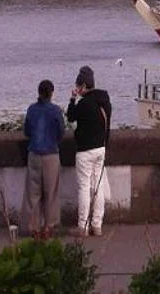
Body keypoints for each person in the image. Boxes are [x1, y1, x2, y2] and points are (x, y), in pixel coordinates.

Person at [66, 65, 111, 237]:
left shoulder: (84, 104)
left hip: (85, 151)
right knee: (98, 187)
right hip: (101, 148)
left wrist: (72, 98)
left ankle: (82, 226)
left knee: (84, 188)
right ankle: (97, 225)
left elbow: (70, 116)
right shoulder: (105, 101)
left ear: (83, 85)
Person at [21, 79, 67, 240]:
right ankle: (49, 226)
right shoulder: (55, 111)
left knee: (32, 193)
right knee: (51, 192)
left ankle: (31, 226)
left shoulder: (31, 110)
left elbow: (27, 131)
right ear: (51, 93)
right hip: (50, 155)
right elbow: (61, 132)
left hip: (34, 153)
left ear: (38, 92)